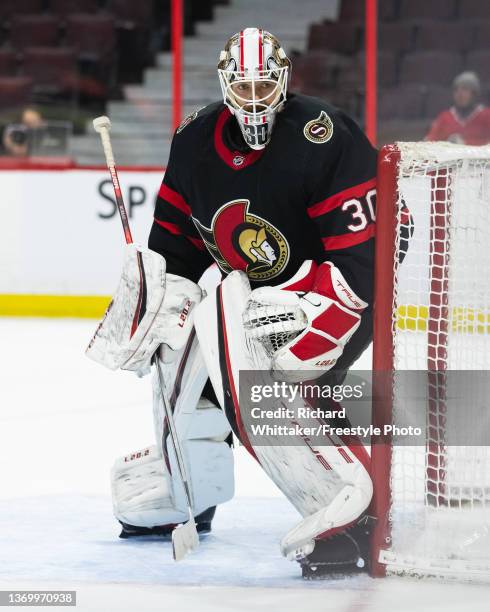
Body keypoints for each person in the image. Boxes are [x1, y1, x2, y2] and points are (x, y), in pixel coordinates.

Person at [88, 28, 377, 577]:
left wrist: (325, 306)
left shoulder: (324, 134)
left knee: (275, 380)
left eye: (263, 85)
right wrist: (155, 295)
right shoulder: (194, 141)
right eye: (240, 86)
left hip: (329, 293)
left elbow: (367, 257)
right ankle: (187, 487)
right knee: (187, 354)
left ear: (284, 83)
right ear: (224, 83)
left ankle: (343, 505)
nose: (252, 99)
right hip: (247, 300)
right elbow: (176, 247)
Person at [426, 71, 490, 145]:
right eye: (456, 89)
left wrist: (465, 143)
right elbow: (430, 141)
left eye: (465, 89)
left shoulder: (487, 115)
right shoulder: (444, 117)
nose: (460, 94)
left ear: (474, 94)